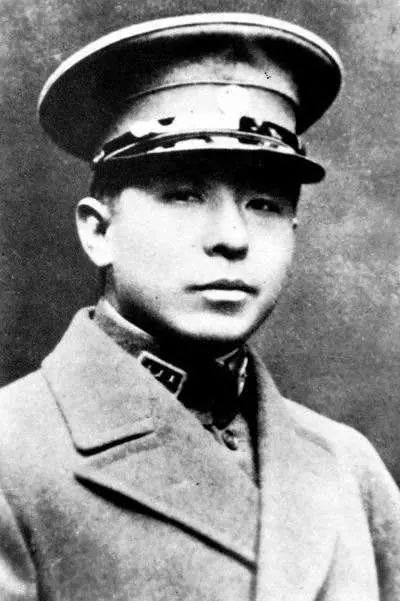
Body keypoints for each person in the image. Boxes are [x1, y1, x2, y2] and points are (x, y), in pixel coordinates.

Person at [0, 11, 399, 601]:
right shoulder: (12, 454)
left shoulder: (350, 467)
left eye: (264, 204)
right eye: (184, 195)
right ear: (99, 231)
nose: (232, 237)